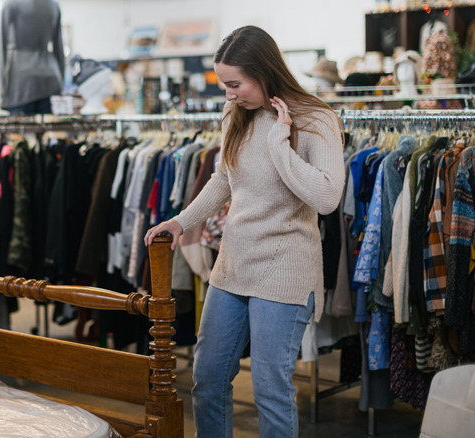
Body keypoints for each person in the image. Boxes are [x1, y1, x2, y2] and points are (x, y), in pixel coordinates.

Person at [144, 25, 345, 437]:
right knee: (208, 378)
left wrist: (279, 146)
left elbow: (326, 198)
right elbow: (223, 179)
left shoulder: (316, 119)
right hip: (234, 265)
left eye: (235, 84)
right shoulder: (234, 114)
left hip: (286, 271)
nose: (229, 94)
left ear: (264, 71)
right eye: (224, 85)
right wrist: (181, 221)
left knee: (270, 391)